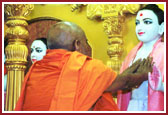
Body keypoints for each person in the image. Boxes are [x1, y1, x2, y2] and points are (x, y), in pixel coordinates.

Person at [15, 21, 153, 111]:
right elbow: (124, 82)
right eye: (85, 42)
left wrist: (134, 67)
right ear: (77, 45)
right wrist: (145, 73)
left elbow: (111, 82)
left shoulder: (36, 68)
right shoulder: (83, 65)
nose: (87, 46)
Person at [117, 4, 164, 111]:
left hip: (153, 106)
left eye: (147, 22)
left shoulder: (163, 51)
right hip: (131, 106)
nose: (140, 27)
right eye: (137, 23)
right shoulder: (132, 53)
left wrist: (160, 85)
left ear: (162, 27)